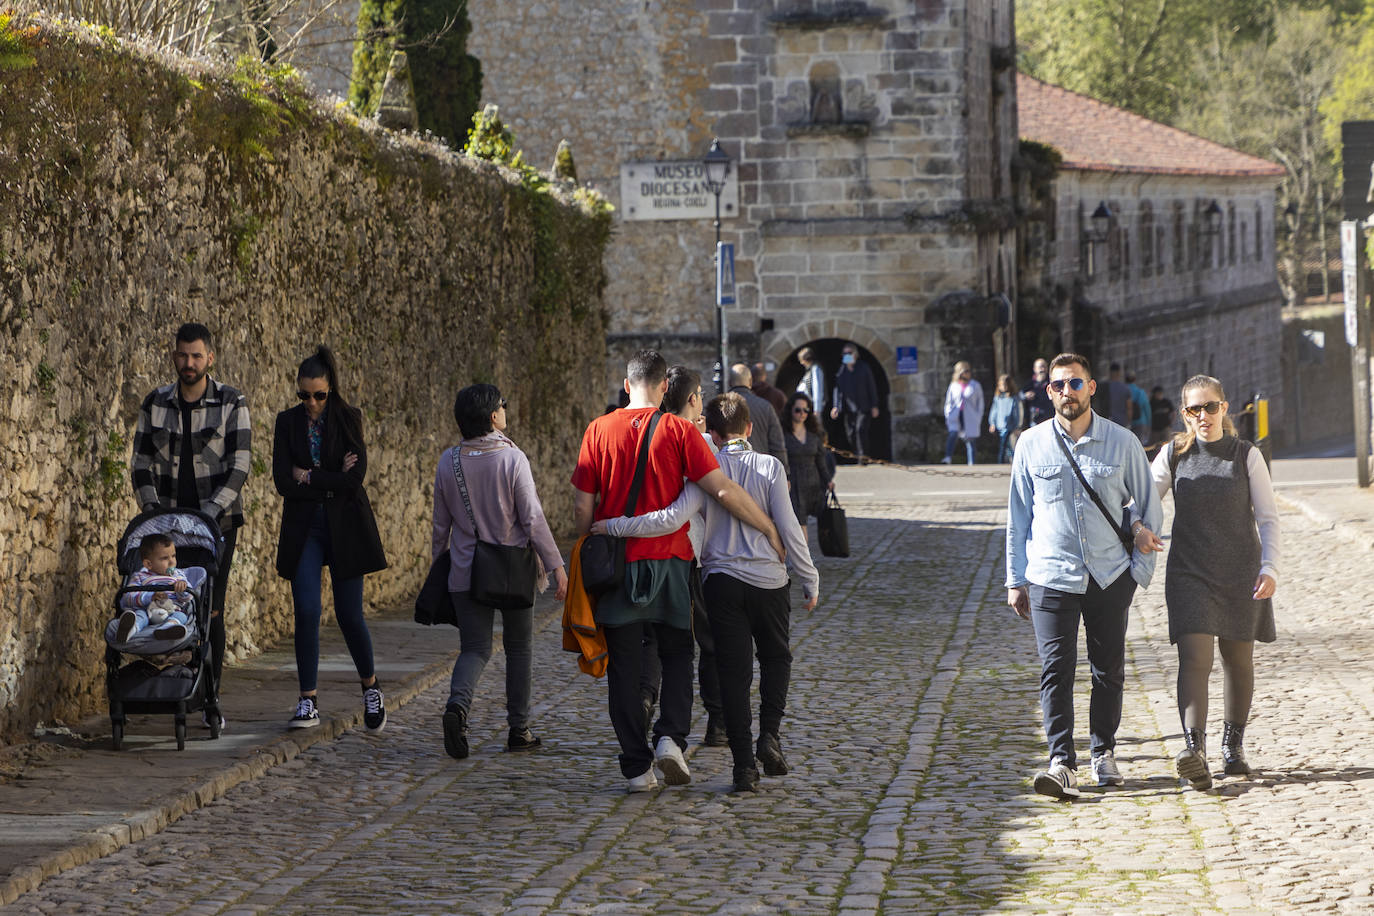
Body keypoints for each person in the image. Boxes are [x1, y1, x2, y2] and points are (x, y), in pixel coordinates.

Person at [572, 349, 783, 792]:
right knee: (676, 656)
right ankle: (670, 738)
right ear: (664, 387)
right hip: (669, 565)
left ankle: (635, 768)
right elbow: (722, 490)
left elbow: (582, 509)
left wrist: (594, 537)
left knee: (626, 668)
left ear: (627, 385)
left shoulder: (597, 430)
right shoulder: (678, 431)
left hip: (616, 568)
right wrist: (768, 528)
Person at [594, 392, 820, 793]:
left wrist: (613, 526)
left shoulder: (705, 468)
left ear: (711, 434)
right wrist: (809, 578)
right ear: (750, 429)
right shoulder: (770, 466)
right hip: (769, 581)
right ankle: (769, 734)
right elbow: (787, 527)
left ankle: (743, 768)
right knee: (776, 657)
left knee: (733, 672)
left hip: (722, 583)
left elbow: (674, 520)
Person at [1005, 352, 1164, 799]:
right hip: (1050, 576)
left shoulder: (1123, 442)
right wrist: (1015, 579)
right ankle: (1060, 762)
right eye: (1058, 385)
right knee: (1055, 669)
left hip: (1109, 575)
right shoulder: (1030, 445)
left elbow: (1150, 509)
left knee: (1106, 670)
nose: (1066, 392)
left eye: (1075, 383)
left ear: (1091, 387)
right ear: (1048, 391)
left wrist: (1139, 573)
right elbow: (1018, 518)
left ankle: (1103, 752)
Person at [1150, 376, 1280, 789]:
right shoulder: (1173, 455)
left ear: (1225, 408)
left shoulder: (1246, 456)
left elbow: (1268, 519)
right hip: (1189, 572)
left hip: (1241, 573)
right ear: (1183, 413)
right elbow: (1144, 498)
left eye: (1209, 407)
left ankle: (1233, 746)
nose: (1202, 416)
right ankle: (1195, 750)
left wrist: (1270, 568)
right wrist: (1136, 525)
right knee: (1196, 658)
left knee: (1237, 660)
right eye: (1193, 410)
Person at [434, 384, 567, 759]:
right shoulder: (513, 460)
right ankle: (518, 730)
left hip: (465, 569)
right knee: (519, 649)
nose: (506, 410)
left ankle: (457, 708)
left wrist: (436, 569)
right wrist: (557, 565)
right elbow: (533, 519)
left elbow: (439, 526)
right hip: (512, 570)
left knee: (474, 649)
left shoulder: (449, 461)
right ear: (493, 416)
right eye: (502, 406)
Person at [131, 322, 250, 730]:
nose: (189, 363)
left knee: (210, 610)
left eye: (197, 356)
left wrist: (209, 515)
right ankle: (170, 690)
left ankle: (211, 698)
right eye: (182, 355)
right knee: (162, 602)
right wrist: (153, 515)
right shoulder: (155, 403)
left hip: (215, 525)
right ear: (174, 356)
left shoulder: (232, 402)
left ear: (210, 358)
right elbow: (140, 463)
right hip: (166, 527)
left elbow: (240, 466)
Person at [272, 347, 388, 733]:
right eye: (304, 395)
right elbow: (282, 481)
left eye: (319, 395)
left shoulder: (348, 418)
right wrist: (328, 477)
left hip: (345, 528)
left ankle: (371, 687)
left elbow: (353, 481)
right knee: (306, 611)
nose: (311, 403)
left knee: (349, 614)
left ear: (331, 390)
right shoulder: (287, 422)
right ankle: (308, 700)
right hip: (305, 529)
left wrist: (310, 476)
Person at [639, 366, 728, 748]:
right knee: (706, 642)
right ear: (693, 399)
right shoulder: (696, 440)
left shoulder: (646, 432)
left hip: (647, 553)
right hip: (692, 554)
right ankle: (717, 721)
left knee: (654, 639)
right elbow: (718, 497)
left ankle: (645, 699)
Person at [115, 534, 193, 644]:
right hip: (147, 610)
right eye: (165, 558)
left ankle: (167, 629)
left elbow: (188, 597)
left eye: (173, 556)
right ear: (148, 564)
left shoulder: (178, 575)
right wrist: (149, 597)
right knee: (139, 615)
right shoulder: (140, 576)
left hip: (171, 611)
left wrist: (182, 589)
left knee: (181, 616)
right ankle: (129, 630)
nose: (171, 562)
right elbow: (128, 597)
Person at [783, 391, 833, 526]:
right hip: (794, 485)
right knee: (799, 524)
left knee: (822, 521)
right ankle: (803, 548)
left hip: (814, 485)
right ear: (791, 410)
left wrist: (828, 480)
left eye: (806, 410)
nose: (802, 413)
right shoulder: (783, 436)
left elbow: (821, 462)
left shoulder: (814, 434)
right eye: (798, 410)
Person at [728, 364, 788, 474]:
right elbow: (777, 443)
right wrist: (785, 473)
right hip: (760, 471)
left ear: (729, 382)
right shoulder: (765, 406)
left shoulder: (719, 406)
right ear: (750, 382)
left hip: (728, 471)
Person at [830, 342, 879, 462]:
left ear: (855, 354)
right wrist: (836, 406)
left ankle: (863, 458)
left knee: (860, 429)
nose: (847, 355)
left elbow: (871, 386)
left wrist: (874, 405)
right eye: (845, 353)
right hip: (848, 408)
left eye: (849, 353)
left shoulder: (864, 367)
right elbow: (837, 390)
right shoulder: (841, 371)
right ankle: (858, 455)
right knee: (851, 433)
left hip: (864, 407)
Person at [942, 361, 984, 465]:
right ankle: (948, 457)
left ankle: (971, 462)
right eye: (965, 371)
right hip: (956, 415)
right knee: (953, 435)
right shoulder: (953, 386)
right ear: (959, 372)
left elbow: (980, 403)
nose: (968, 373)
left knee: (970, 440)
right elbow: (948, 402)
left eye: (969, 371)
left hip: (970, 416)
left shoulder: (975, 385)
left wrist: (978, 417)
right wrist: (948, 415)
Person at [988, 374, 1022, 464]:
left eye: (1005, 385)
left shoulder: (1013, 398)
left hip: (1008, 426)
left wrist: (1016, 426)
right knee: (1008, 446)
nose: (1003, 387)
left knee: (1003, 445)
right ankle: (1014, 461)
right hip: (1000, 425)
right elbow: (994, 411)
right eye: (1001, 385)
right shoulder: (998, 398)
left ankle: (1001, 462)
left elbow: (1016, 413)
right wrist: (992, 423)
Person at [1020, 358, 1052, 428]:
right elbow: (1019, 396)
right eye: (1040, 367)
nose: (1042, 369)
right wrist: (1026, 396)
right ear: (1035, 369)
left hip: (1049, 418)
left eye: (1044, 367)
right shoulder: (1029, 384)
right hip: (1034, 421)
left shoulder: (1052, 383)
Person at [796, 346, 827, 417]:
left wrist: (817, 409)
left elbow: (817, 390)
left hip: (813, 407)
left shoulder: (816, 369)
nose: (801, 363)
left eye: (802, 360)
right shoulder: (810, 370)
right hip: (808, 405)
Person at [1102, 362, 1132, 428]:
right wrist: (1129, 422)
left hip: (1106, 421)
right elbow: (1129, 408)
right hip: (1121, 422)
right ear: (1119, 372)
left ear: (1109, 372)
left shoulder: (1103, 387)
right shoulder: (1125, 388)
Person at [1126, 372, 1152, 445]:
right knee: (1138, 444)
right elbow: (1147, 408)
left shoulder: (1123, 391)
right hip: (1140, 421)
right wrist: (1148, 423)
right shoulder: (1140, 392)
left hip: (1126, 422)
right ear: (1135, 380)